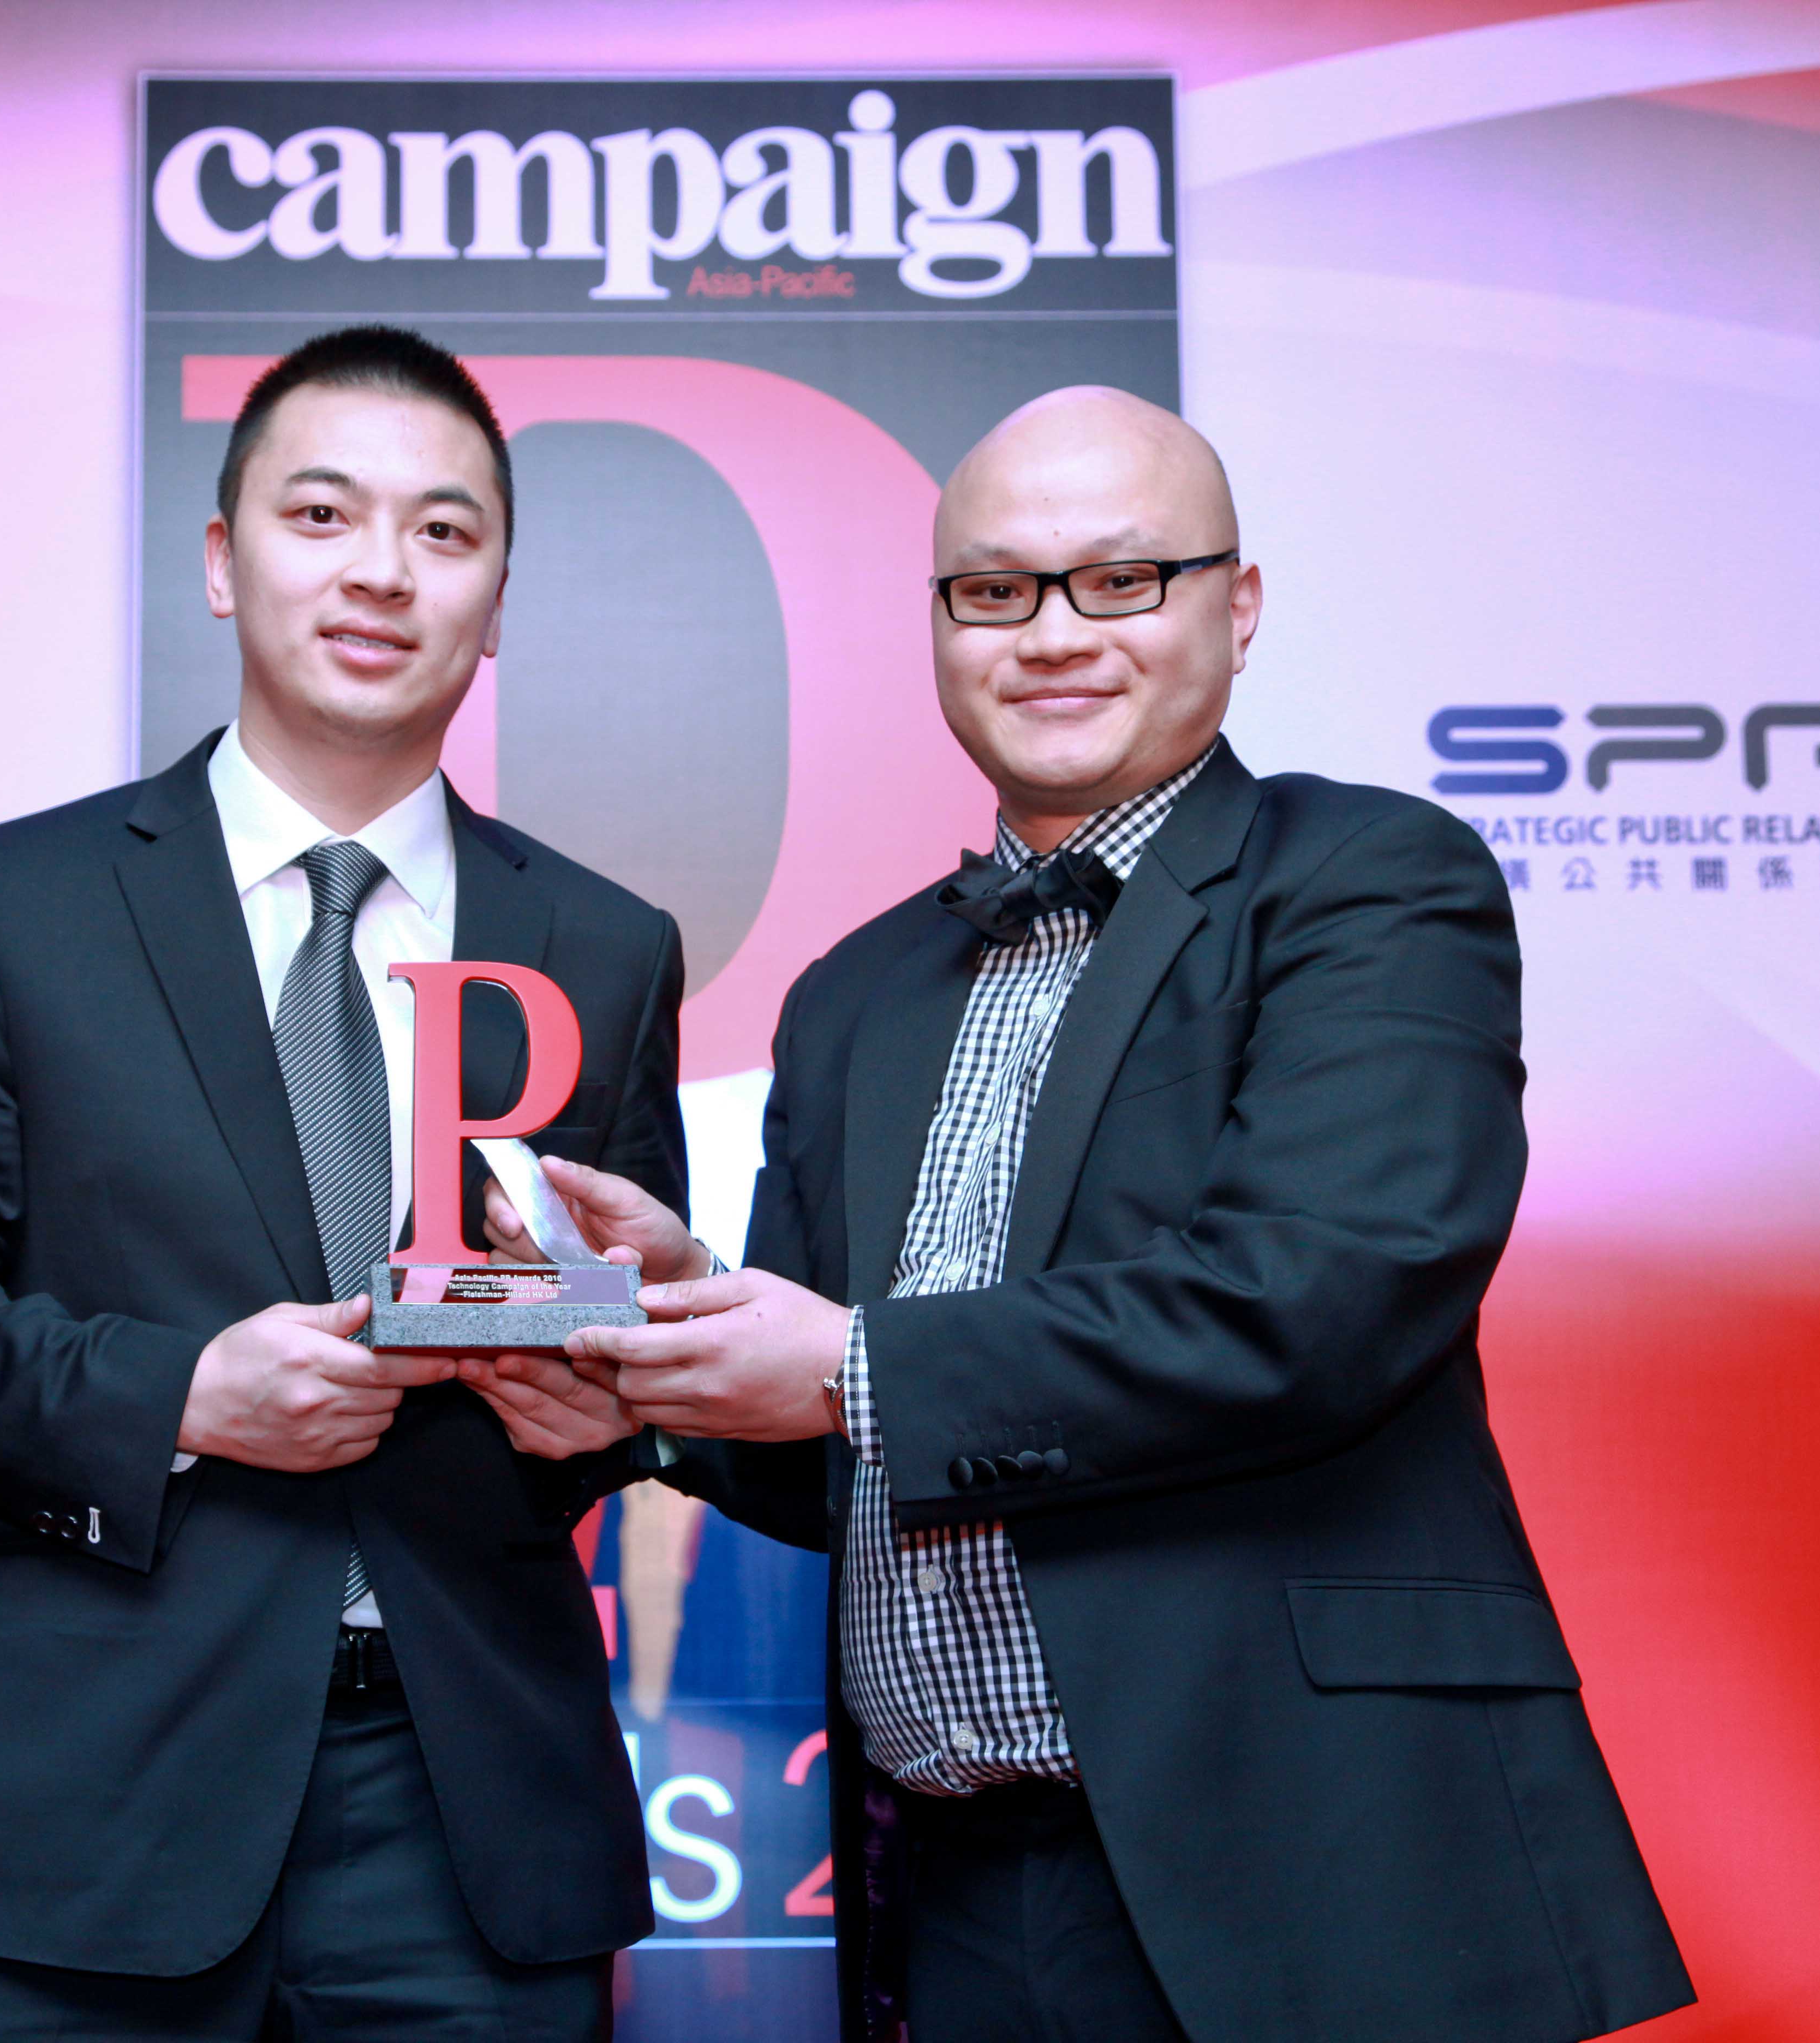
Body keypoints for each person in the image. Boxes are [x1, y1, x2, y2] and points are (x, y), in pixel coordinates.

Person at [480, 387, 1694, 2042]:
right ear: (939, 625)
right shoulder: (854, 995)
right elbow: (846, 1451)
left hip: (1313, 1850)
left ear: (1237, 607)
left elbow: (1319, 1295)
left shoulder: (1369, 881)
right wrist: (675, 1350)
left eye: (1121, 580)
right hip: (954, 1880)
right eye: (995, 591)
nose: (1052, 634)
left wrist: (845, 1367)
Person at [0, 325, 686, 2041]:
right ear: (221, 560)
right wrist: (185, 1396)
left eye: (443, 531)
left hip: (470, 1826)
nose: (382, 572)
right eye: (323, 514)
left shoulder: (602, 943)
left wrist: (607, 1411)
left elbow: (610, 1348)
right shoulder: (9, 908)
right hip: (83, 1810)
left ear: (496, 602)